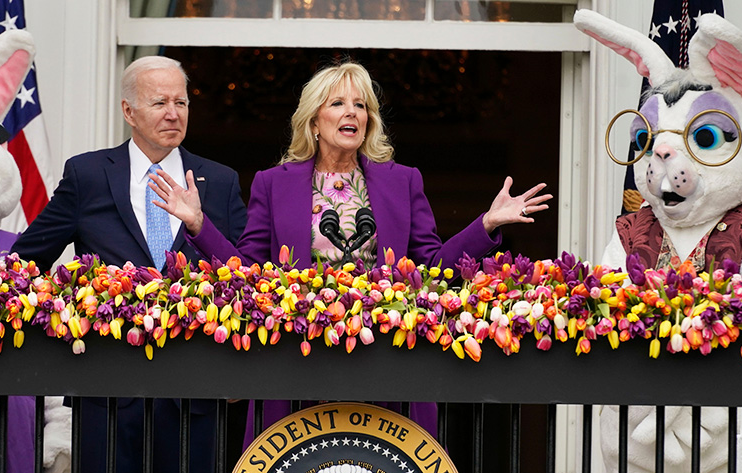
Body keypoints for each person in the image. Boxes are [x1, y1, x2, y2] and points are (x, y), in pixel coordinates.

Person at [150, 60, 552, 438]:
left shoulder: (403, 181)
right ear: (314, 120)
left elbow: (431, 268)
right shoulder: (273, 183)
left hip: (385, 362)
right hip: (299, 359)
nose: (352, 113)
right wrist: (199, 226)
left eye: (361, 105)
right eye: (338, 103)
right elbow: (249, 272)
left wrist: (486, 224)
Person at [11, 56, 247, 473]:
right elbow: (27, 262)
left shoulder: (217, 182)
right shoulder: (88, 175)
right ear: (128, 111)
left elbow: (250, 283)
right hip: (109, 396)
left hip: (193, 399)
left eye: (183, 103)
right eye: (160, 103)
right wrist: (60, 328)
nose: (174, 113)